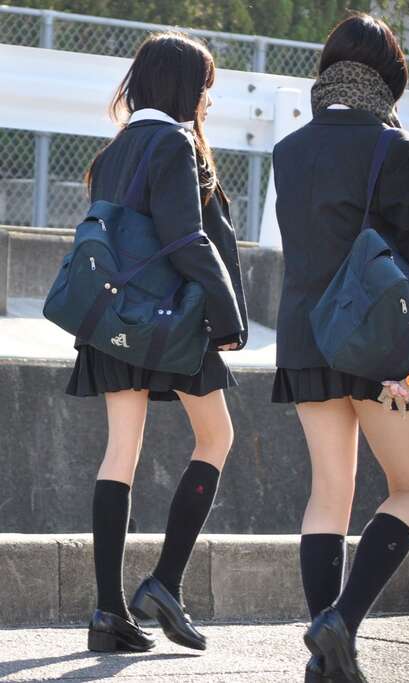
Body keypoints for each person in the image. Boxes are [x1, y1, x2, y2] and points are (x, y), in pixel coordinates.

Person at [270, 12, 409, 683]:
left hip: (305, 339)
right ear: (389, 80)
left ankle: (326, 660)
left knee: (329, 492)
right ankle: (341, 622)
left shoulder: (289, 150)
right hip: (379, 342)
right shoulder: (391, 147)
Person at [65, 30, 248, 653]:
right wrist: (227, 316)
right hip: (170, 322)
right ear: (182, 87)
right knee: (216, 437)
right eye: (204, 87)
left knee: (121, 451)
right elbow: (186, 238)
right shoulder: (174, 142)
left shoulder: (113, 150)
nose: (208, 100)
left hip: (114, 319)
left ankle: (107, 612)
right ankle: (165, 582)